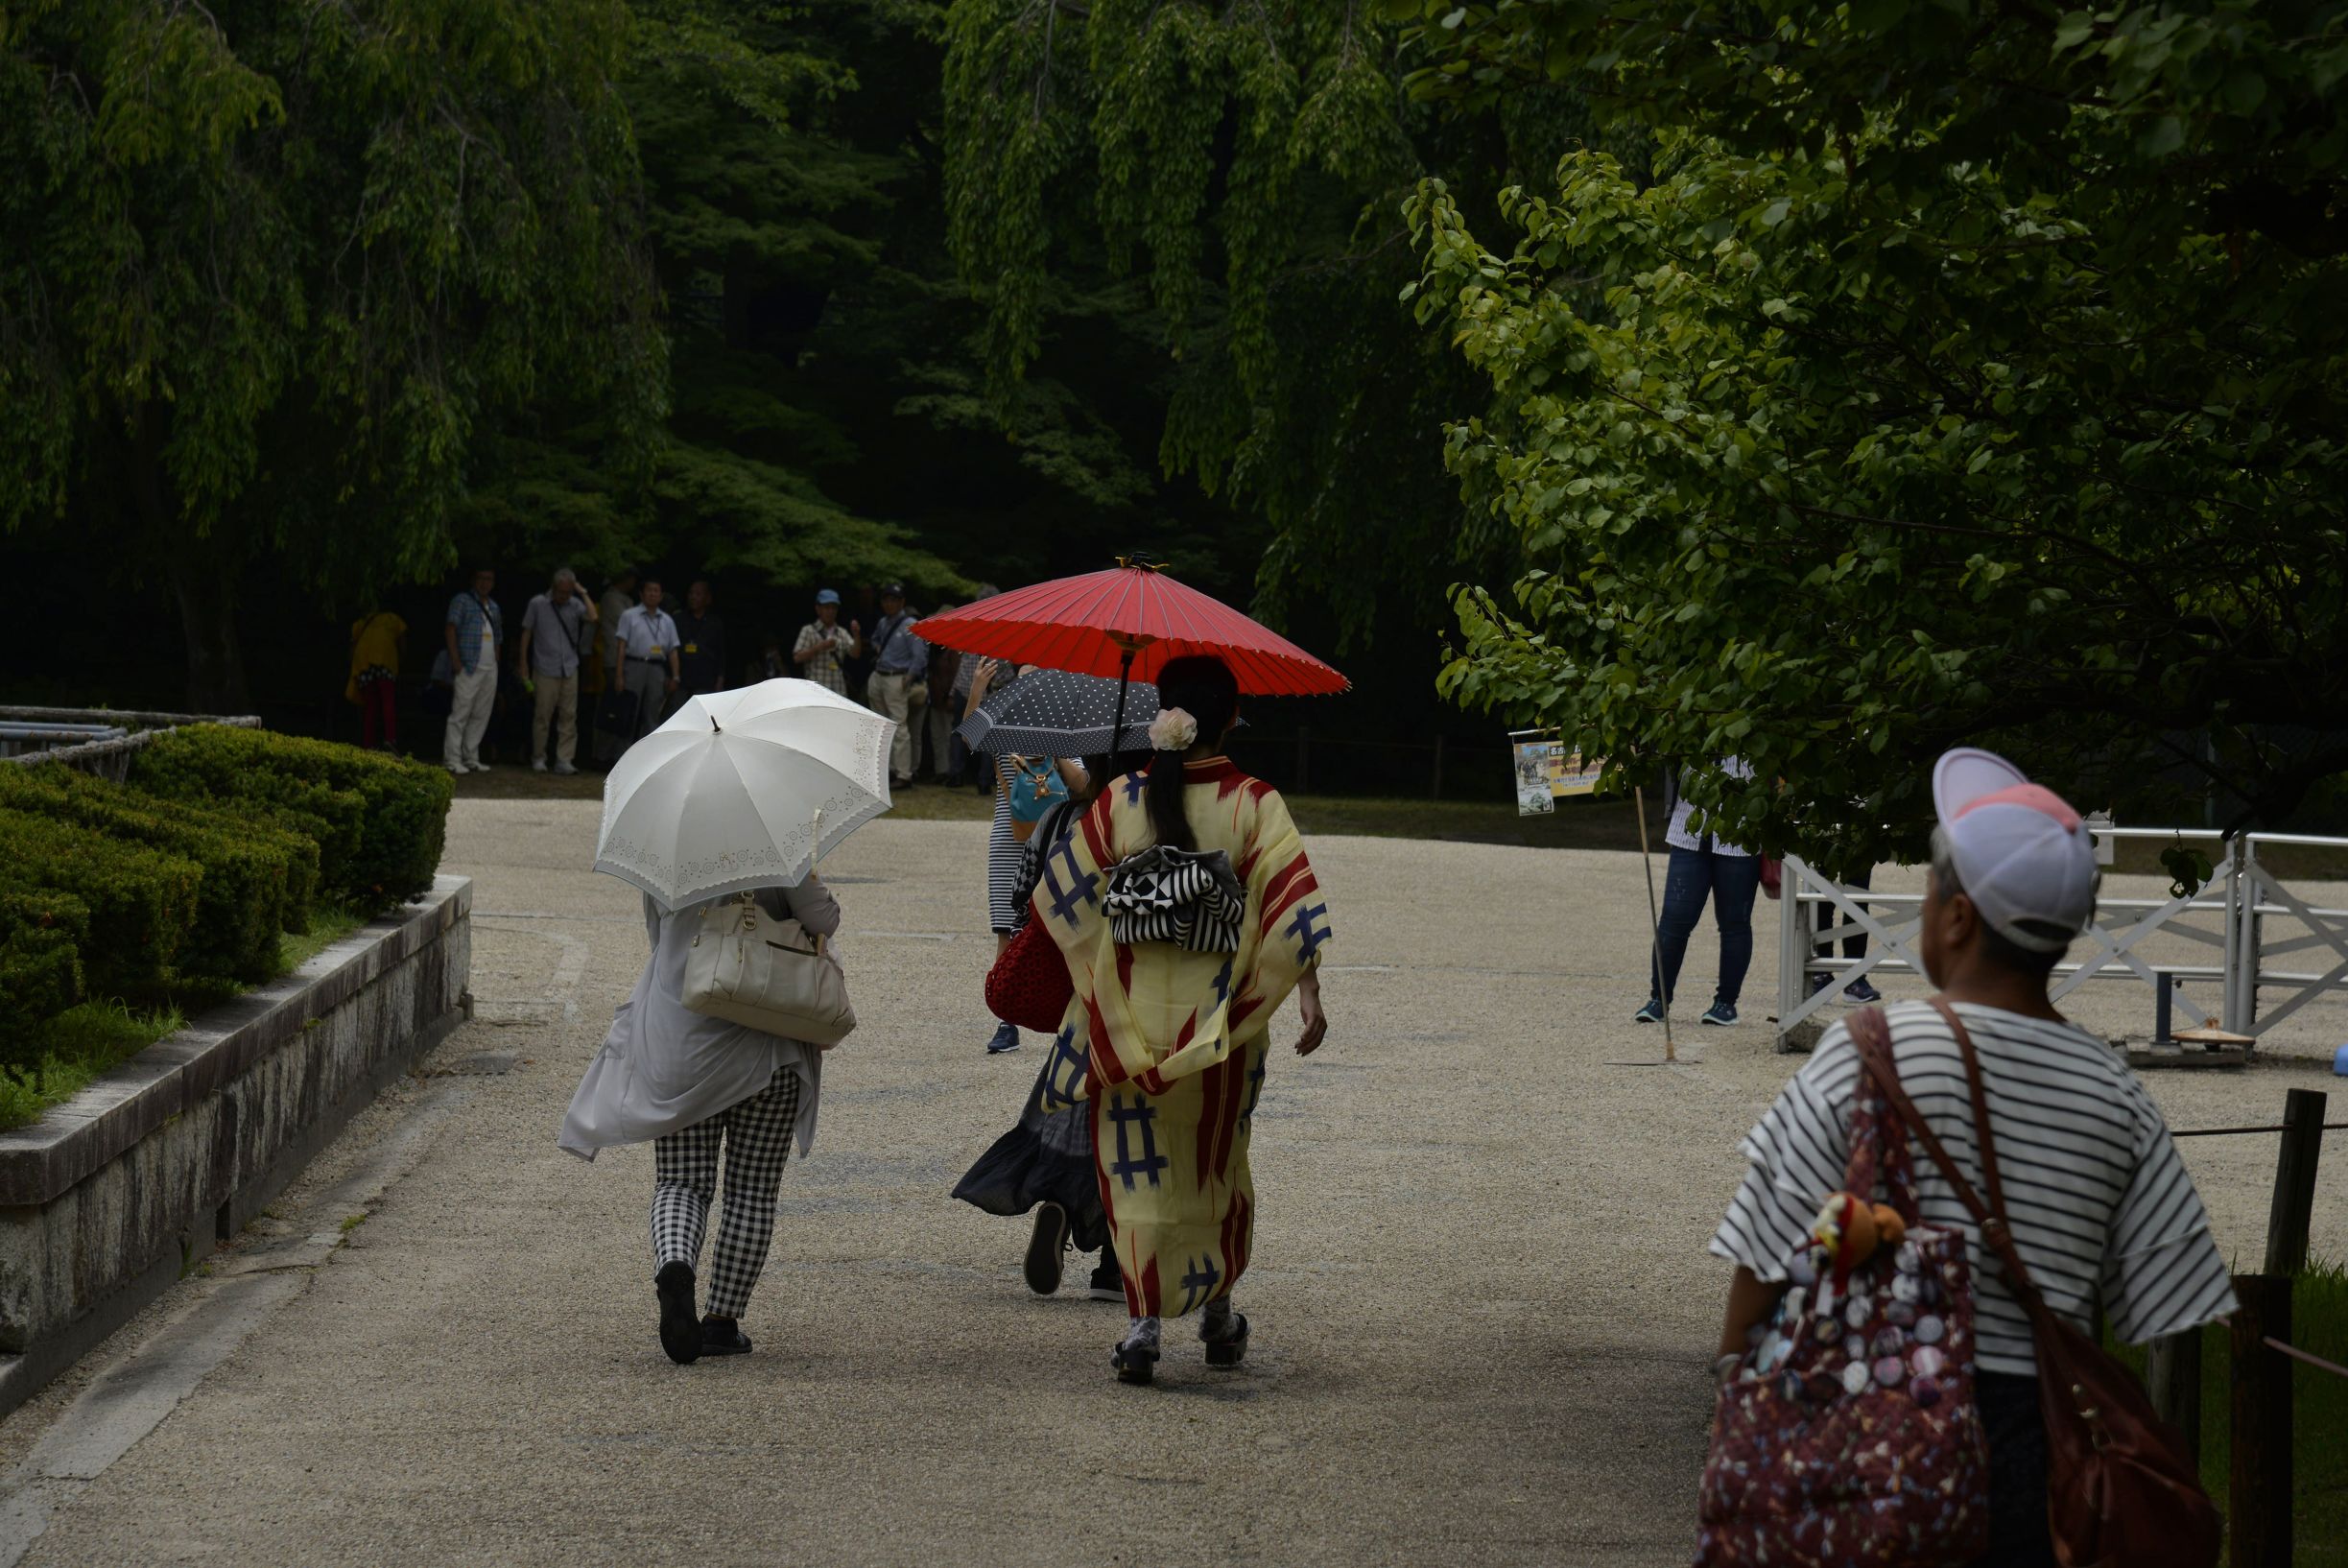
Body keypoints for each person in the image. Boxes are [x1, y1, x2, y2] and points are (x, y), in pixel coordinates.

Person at [1708, 747, 2236, 1563]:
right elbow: (2160, 1308)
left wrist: (1738, 1389)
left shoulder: (1867, 1051)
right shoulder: (2114, 1091)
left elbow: (1761, 1258)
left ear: (1955, 918)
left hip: (1861, 1427)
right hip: (2033, 1457)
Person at [1038, 654, 1331, 1384]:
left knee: (1135, 1170)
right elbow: (1287, 910)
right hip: (1219, 1025)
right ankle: (1217, 1316)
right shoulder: (1253, 801)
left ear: (1162, 714)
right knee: (1213, 1165)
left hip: (1131, 1021)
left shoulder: (1120, 799)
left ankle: (1140, 1330)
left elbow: (1063, 899)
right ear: (1231, 717)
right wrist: (1307, 992)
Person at [557, 876, 841, 1364]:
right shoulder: (782, 849)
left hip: (681, 1047)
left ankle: (675, 1262)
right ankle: (721, 1322)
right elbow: (824, 921)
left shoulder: (669, 851)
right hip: (767, 1044)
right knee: (751, 1190)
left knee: (680, 1182)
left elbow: (658, 935)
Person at [952, 746, 1153, 1303]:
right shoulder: (1155, 822)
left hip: (1079, 999)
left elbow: (1023, 903)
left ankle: (1062, 1206)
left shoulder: (1061, 818)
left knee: (1072, 1108)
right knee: (1135, 1125)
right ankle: (1114, 1265)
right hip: (1140, 999)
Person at [965, 659, 1085, 1056]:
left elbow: (1084, 785)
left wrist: (1058, 750)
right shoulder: (1005, 729)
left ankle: (1073, 1013)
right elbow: (971, 740)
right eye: (1024, 684)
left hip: (1054, 836)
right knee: (1006, 926)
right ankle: (1006, 1019)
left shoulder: (1068, 732)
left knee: (1066, 924)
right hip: (1009, 835)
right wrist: (976, 693)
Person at [1636, 756, 1762, 1027]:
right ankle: (1659, 999)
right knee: (1674, 919)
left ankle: (1726, 1003)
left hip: (1740, 828)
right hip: (1689, 826)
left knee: (1734, 923)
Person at [516, 567, 598, 774]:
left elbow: (593, 616)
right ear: (553, 588)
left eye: (568, 592)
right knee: (543, 715)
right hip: (544, 666)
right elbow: (526, 633)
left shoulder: (575, 603)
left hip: (569, 667)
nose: (564, 596)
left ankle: (564, 759)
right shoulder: (538, 604)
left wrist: (582, 592)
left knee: (569, 716)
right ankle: (539, 757)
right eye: (561, 592)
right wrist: (523, 663)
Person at [442, 566, 504, 774]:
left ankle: (471, 757)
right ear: (473, 580)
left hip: (489, 668)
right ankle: (452, 758)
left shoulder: (494, 606)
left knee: (481, 714)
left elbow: (498, 637)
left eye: (489, 578)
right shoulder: (462, 600)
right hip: (468, 665)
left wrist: (497, 661)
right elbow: (450, 628)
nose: (485, 583)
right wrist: (455, 660)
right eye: (481, 578)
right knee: (460, 712)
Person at [866, 583, 927, 789]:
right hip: (879, 674)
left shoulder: (910, 624)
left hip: (897, 677)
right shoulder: (883, 622)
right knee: (880, 726)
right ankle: (887, 769)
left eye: (894, 599)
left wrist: (909, 677)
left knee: (899, 726)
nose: (889, 603)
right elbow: (874, 640)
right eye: (886, 599)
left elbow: (920, 655)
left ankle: (903, 774)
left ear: (902, 602)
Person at [612, 580, 681, 748]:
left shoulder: (666, 620)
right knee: (629, 711)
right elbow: (621, 647)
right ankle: (622, 754)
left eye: (656, 591)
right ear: (642, 594)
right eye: (649, 590)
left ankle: (648, 753)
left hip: (657, 667)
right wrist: (619, 675)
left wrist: (675, 676)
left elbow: (673, 650)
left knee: (653, 712)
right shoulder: (629, 615)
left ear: (661, 595)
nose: (653, 594)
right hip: (634, 664)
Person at [594, 569, 639, 765]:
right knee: (612, 708)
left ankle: (616, 752)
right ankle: (603, 754)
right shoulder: (611, 598)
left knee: (623, 707)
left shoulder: (624, 599)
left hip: (626, 660)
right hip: (614, 659)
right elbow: (630, 623)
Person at [345, 606, 407, 751]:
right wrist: (401, 661)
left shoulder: (362, 622)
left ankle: (368, 744)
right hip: (385, 662)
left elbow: (353, 647)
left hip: (364, 665)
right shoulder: (393, 619)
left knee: (370, 706)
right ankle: (390, 739)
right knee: (387, 702)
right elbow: (403, 642)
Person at [792, 589, 861, 696]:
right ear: (818, 609)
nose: (830, 611)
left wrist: (856, 635)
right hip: (815, 691)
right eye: (827, 607)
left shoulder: (842, 632)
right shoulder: (808, 630)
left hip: (838, 691)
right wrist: (819, 647)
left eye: (834, 608)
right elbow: (797, 658)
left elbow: (855, 654)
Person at [922, 605, 962, 782]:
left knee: (948, 736)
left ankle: (950, 771)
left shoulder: (956, 646)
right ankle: (941, 770)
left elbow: (957, 673)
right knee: (937, 735)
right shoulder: (935, 645)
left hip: (948, 698)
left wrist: (952, 696)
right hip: (936, 697)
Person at [673, 579, 726, 709]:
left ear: (707, 598)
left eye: (698, 594)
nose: (693, 597)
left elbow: (721, 653)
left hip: (705, 678)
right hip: (682, 677)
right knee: (677, 713)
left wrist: (720, 679)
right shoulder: (678, 619)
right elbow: (671, 649)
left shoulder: (715, 623)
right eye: (691, 593)